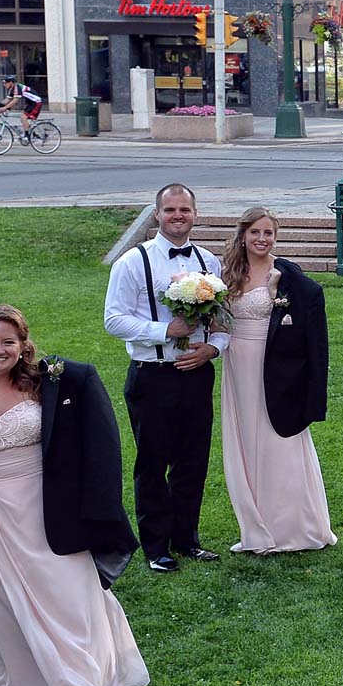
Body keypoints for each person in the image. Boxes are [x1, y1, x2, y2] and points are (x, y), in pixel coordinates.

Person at [0, 305, 148, 686]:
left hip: (48, 502)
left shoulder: (50, 380)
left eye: (9, 342)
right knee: (3, 602)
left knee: (69, 590)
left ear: (23, 344)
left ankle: (84, 680)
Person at [102, 183, 228, 572]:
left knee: (193, 460)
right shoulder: (132, 262)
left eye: (185, 210)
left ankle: (187, 538)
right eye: (170, 209)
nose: (178, 216)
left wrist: (214, 348)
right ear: (157, 214)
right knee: (153, 463)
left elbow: (223, 320)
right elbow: (113, 319)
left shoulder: (210, 262)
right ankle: (156, 547)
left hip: (196, 376)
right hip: (151, 376)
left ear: (195, 214)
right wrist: (164, 331)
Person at [218, 207, 336, 553]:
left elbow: (310, 313)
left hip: (275, 369)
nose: (261, 239)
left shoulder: (285, 273)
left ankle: (296, 529)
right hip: (237, 365)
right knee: (246, 442)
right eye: (255, 232)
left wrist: (276, 298)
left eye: (268, 233)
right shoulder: (228, 274)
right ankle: (256, 528)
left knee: (278, 441)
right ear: (243, 235)